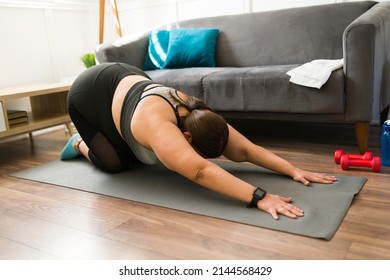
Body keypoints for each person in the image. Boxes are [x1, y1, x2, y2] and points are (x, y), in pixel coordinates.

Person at [61, 62, 337, 220]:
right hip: (89, 94)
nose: (204, 158)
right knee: (116, 164)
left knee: (145, 155)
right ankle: (78, 142)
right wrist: (261, 198)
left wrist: (292, 169)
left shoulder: (201, 116)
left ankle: (116, 138)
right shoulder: (158, 124)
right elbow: (199, 170)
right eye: (200, 151)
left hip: (126, 80)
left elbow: (245, 149)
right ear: (187, 136)